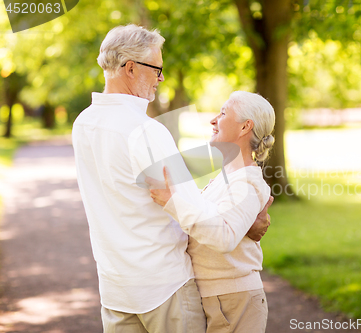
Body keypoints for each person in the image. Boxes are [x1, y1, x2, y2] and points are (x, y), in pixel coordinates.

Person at [72, 25, 272, 333]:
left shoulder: (83, 124)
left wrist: (242, 221)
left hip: (114, 289)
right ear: (130, 68)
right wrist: (245, 227)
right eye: (157, 69)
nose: (160, 78)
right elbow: (187, 205)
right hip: (164, 286)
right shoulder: (146, 130)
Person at [149, 91, 275, 333]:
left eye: (224, 113)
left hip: (234, 299)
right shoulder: (226, 178)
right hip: (217, 297)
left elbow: (224, 237)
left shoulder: (247, 182)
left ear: (244, 127)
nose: (213, 120)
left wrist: (172, 201)